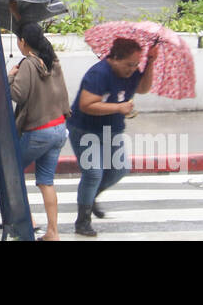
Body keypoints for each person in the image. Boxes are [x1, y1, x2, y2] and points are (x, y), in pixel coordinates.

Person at [67, 36, 159, 237]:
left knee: (119, 169)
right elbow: (86, 105)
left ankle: (90, 199)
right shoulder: (98, 74)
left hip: (112, 128)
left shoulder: (133, 72)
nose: (132, 69)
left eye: (136, 64)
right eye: (128, 64)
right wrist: (119, 107)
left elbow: (142, 88)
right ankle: (83, 221)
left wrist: (150, 62)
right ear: (114, 58)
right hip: (85, 129)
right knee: (93, 173)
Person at [8, 22, 70, 241]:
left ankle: (29, 221)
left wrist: (10, 76)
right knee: (46, 181)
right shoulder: (53, 60)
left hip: (38, 132)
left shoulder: (28, 64)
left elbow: (17, 94)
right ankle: (53, 232)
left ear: (24, 42)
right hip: (59, 128)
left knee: (12, 173)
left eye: (19, 40)